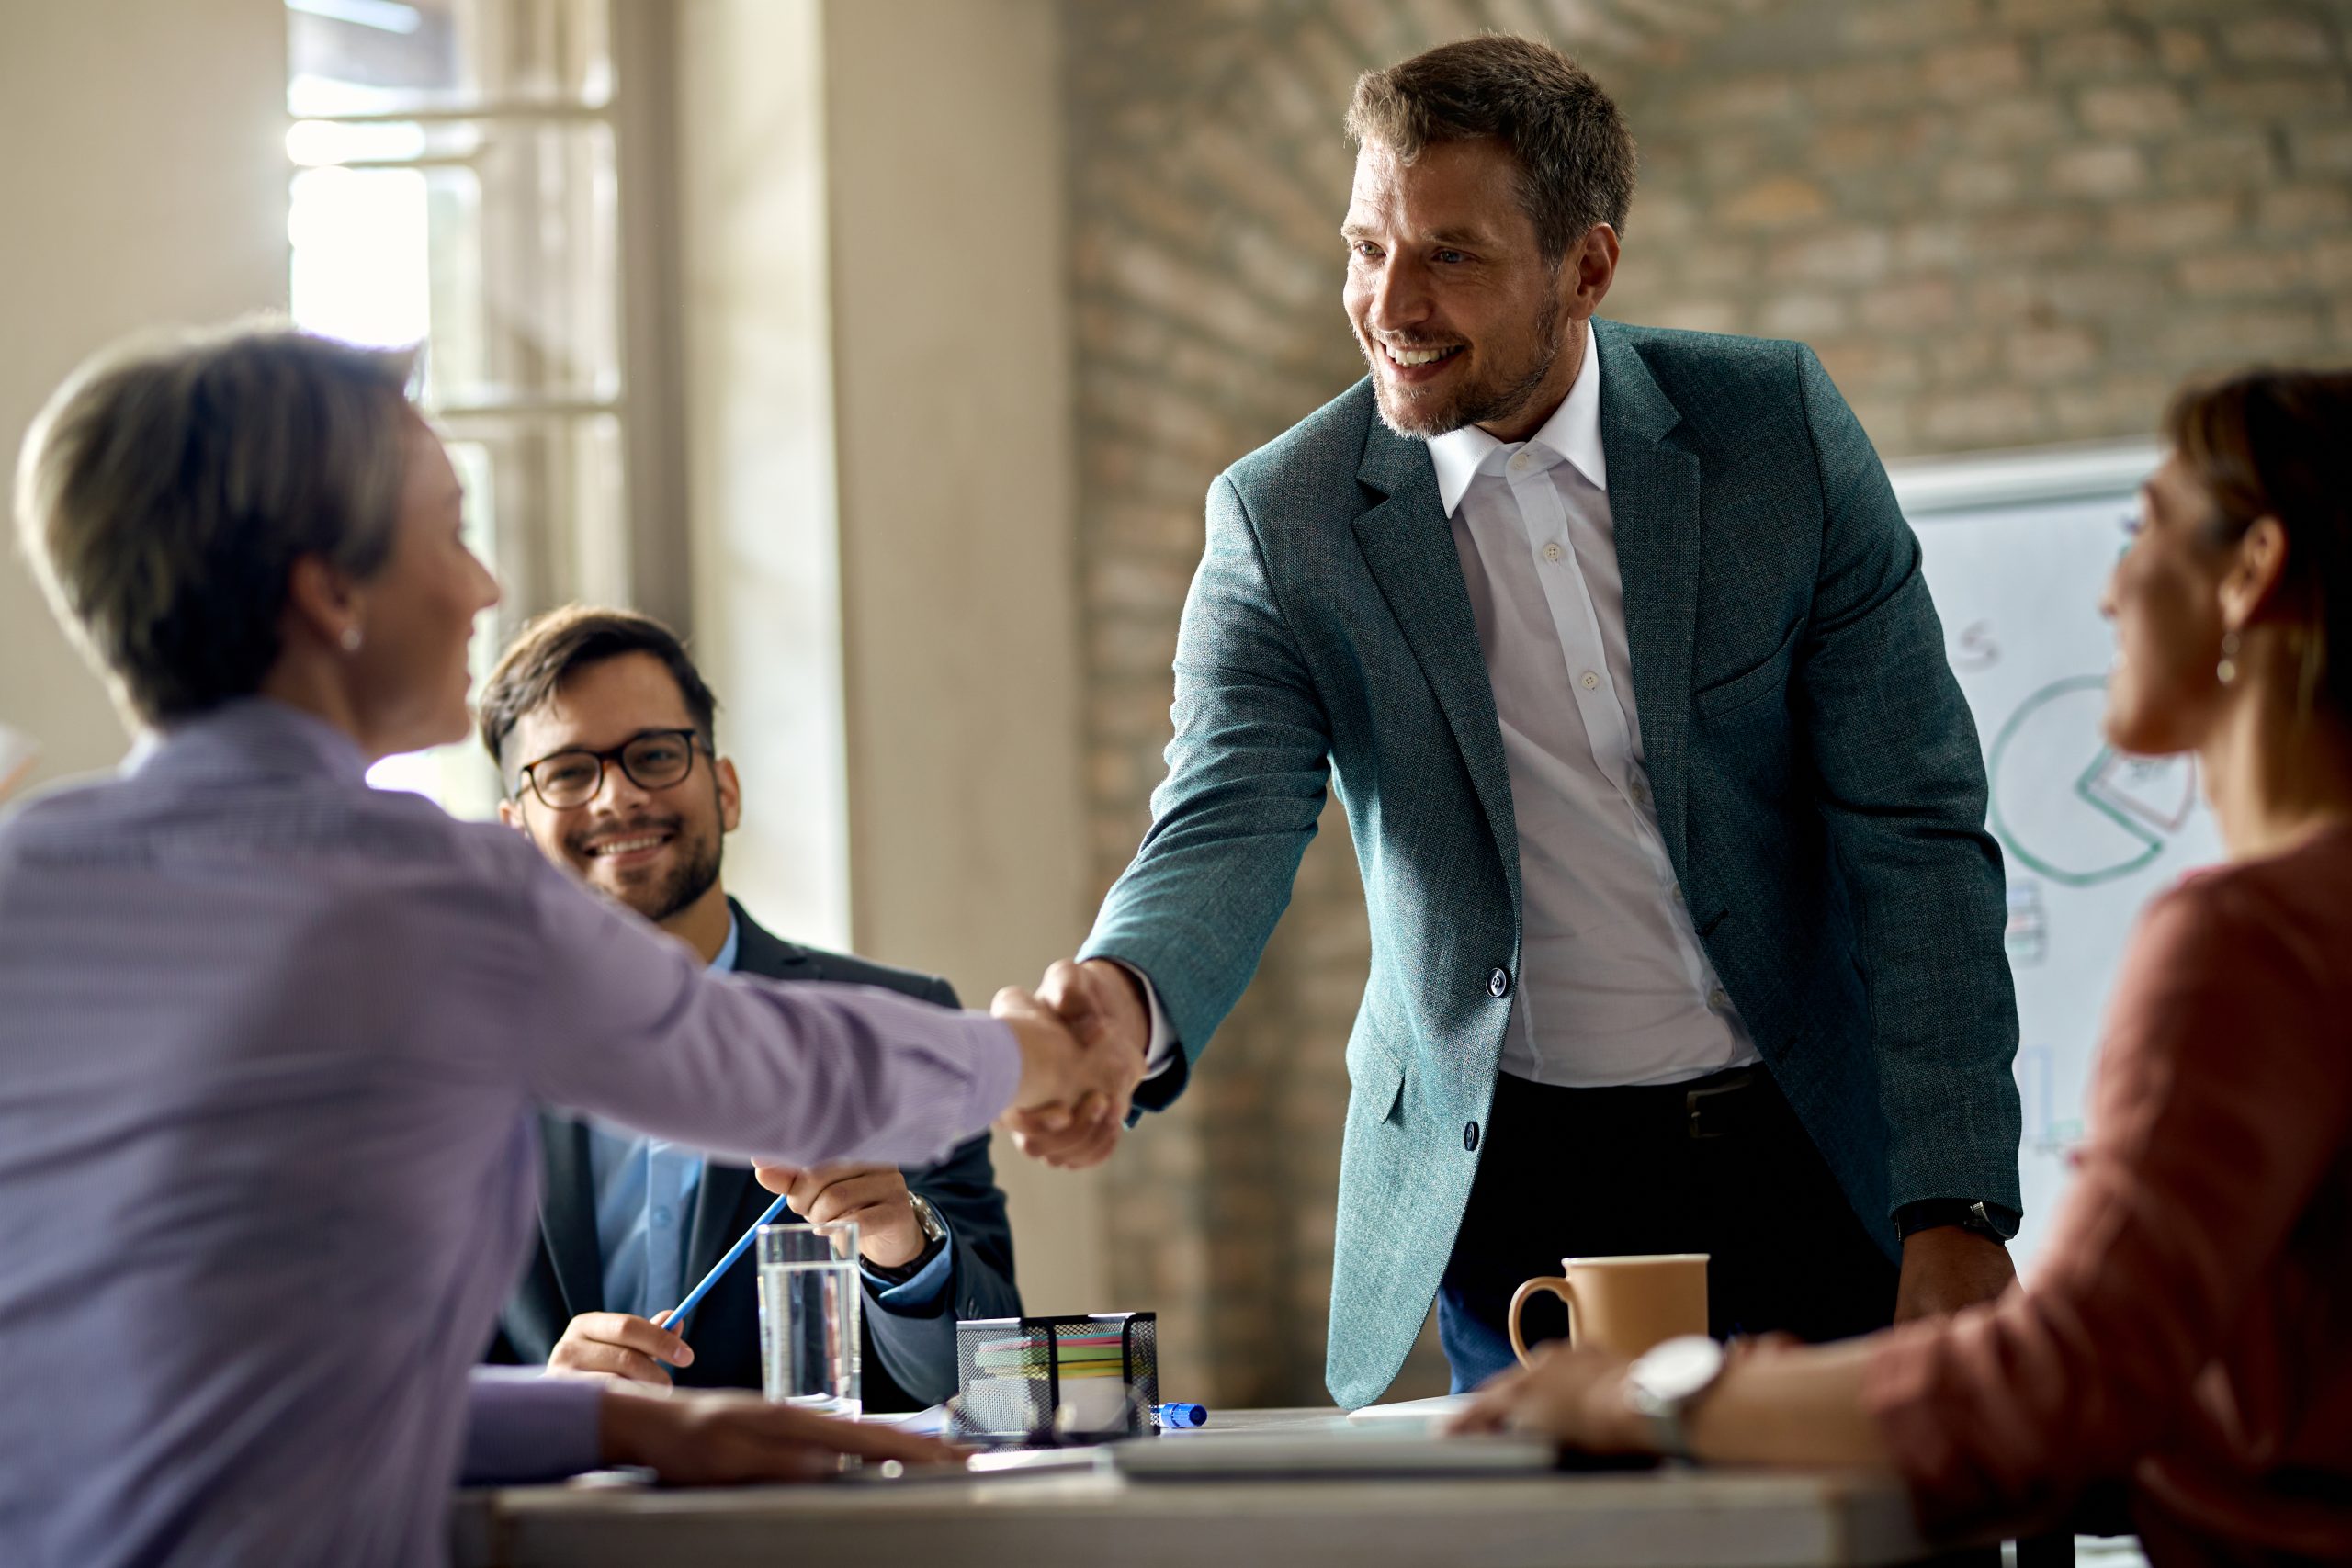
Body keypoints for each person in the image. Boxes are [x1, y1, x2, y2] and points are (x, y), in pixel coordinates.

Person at [0, 323, 1122, 1566]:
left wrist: (613, 1417)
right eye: (449, 527)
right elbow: (776, 1067)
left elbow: (225, 1407)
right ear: (329, 592)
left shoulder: (20, 879)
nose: (481, 585)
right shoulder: (423, 888)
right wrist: (1039, 1052)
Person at [1014, 33, 2024, 1406]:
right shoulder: (1284, 515)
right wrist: (1123, 1001)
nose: (1390, 301)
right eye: (1366, 245)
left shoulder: (1773, 432)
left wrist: (1956, 1200)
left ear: (1588, 267)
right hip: (1516, 1186)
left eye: (1451, 254)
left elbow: (1914, 827)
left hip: (1809, 1138)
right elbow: (1227, 811)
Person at [1453, 369, 2352, 1563]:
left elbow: (2069, 1378)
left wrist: (1645, 1396)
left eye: (2148, 531)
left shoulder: (2248, 944)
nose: (2112, 586)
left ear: (2250, 574)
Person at [474, 605, 1020, 1408]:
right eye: (567, 772)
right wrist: (540, 1409)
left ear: (724, 790)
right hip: (555, 1530)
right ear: (517, 833)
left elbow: (993, 1379)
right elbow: (393, 1386)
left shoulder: (902, 1021)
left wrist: (901, 1243)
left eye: (655, 754)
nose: (617, 796)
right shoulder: (456, 1066)